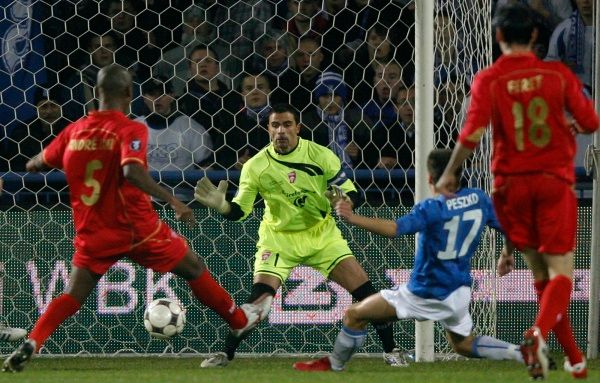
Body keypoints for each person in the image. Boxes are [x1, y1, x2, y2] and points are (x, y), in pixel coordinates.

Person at [2, 64, 261, 373]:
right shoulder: (130, 128)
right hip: (138, 228)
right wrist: (173, 200)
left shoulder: (74, 131)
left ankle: (34, 341)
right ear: (129, 93)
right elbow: (131, 171)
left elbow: (35, 165)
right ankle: (240, 320)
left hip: (93, 232)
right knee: (193, 267)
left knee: (72, 294)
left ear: (97, 93)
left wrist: (45, 160)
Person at [435, 4, 599, 380]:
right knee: (561, 274)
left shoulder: (488, 79)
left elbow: (472, 135)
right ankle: (537, 334)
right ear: (537, 37)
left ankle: (575, 359)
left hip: (508, 186)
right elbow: (590, 120)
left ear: (497, 37)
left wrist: (449, 173)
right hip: (552, 181)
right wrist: (571, 122)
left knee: (541, 275)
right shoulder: (556, 74)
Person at [194, 103, 403, 368]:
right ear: (268, 129)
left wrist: (343, 200)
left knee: (367, 293)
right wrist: (223, 206)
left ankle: (391, 350)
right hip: (279, 238)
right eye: (275, 125)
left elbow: (353, 195)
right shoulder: (256, 166)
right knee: (259, 302)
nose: (281, 131)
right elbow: (240, 212)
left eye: (287, 125)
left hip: (321, 235)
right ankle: (225, 353)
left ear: (298, 128)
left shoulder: (321, 156)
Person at [293, 149, 525, 372]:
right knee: (463, 345)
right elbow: (510, 227)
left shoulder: (432, 208)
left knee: (355, 314)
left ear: (430, 177)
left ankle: (335, 364)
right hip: (459, 292)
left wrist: (353, 218)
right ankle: (521, 353)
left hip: (425, 291)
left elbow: (394, 229)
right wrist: (507, 253)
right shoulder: (479, 199)